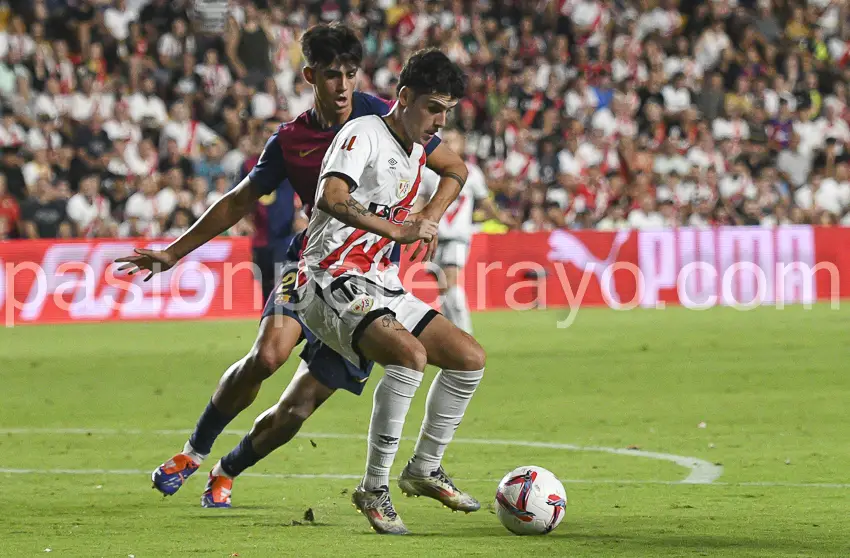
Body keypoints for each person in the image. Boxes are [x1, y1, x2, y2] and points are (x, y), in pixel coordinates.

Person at [114, 23, 469, 508]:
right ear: (309, 75)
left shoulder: (386, 117)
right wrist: (174, 252)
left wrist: (428, 218)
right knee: (266, 356)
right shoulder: (292, 140)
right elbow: (239, 200)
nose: (343, 86)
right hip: (312, 269)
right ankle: (193, 451)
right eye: (331, 76)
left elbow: (453, 167)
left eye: (350, 74)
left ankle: (227, 469)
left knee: (297, 407)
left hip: (370, 287)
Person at [296, 49, 486, 535]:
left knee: (469, 358)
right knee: (409, 356)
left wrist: (429, 218)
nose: (439, 120)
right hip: (327, 278)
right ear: (403, 98)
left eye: (446, 110)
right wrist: (397, 230)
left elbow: (458, 170)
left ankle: (423, 468)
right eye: (432, 108)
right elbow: (331, 197)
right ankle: (374, 487)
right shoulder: (363, 134)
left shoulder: (419, 144)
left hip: (381, 282)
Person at [418, 128, 513, 334]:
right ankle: (451, 332)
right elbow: (420, 201)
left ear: (462, 144)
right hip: (434, 237)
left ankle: (465, 334)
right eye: (446, 140)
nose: (449, 143)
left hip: (457, 237)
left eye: (454, 140)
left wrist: (499, 217)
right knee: (443, 287)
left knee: (452, 281)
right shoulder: (429, 172)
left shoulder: (471, 171)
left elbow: (484, 201)